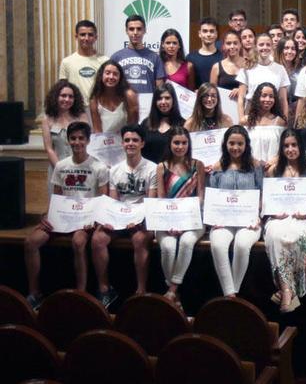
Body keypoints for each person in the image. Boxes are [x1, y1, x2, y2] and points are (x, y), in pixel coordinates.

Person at [24, 121, 108, 309]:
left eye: (81, 138)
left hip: (86, 219)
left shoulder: (99, 167)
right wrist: (48, 215)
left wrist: (94, 221)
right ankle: (34, 292)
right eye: (73, 138)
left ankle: (81, 293)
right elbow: (57, 196)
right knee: (30, 242)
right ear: (68, 140)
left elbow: (103, 200)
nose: (77, 142)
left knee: (78, 242)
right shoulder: (61, 166)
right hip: (63, 217)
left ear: (88, 140)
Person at [91, 124, 157, 306]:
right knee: (98, 239)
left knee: (139, 239)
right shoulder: (115, 170)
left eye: (135, 140)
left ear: (142, 143)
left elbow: (150, 201)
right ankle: (105, 289)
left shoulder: (152, 168)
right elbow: (113, 201)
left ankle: (141, 289)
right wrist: (110, 220)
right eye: (127, 140)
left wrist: (138, 220)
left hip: (142, 216)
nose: (130, 143)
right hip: (121, 217)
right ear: (122, 143)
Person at [264, 129, 306, 313]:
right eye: (286, 146)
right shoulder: (274, 170)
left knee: (296, 236)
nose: (290, 149)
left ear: (300, 146)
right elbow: (267, 201)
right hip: (278, 217)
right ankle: (288, 290)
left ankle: (287, 289)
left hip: (305, 217)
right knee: (275, 235)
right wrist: (274, 213)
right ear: (281, 149)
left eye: (294, 145)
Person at [208, 125, 263, 297]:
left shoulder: (255, 166)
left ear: (246, 145)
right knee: (218, 245)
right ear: (225, 144)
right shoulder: (217, 167)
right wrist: (212, 218)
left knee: (242, 244)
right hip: (222, 222)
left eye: (240, 144)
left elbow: (262, 195)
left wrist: (258, 217)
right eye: (232, 143)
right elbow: (213, 195)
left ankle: (233, 293)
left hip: (249, 221)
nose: (236, 148)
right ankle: (230, 294)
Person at [154, 126, 205, 308]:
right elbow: (160, 198)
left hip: (192, 219)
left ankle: (172, 290)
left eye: (184, 143)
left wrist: (184, 220)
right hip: (166, 219)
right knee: (168, 247)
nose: (180, 146)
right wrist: (170, 222)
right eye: (176, 142)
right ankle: (175, 296)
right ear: (170, 144)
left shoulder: (196, 165)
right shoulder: (162, 167)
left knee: (186, 242)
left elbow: (200, 197)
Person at [41, 80, 90, 195]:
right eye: (63, 96)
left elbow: (87, 142)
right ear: (55, 97)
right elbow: (49, 149)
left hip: (81, 168)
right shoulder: (47, 119)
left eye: (70, 97)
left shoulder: (82, 116)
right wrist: (62, 170)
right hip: (57, 168)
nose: (67, 99)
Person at [237, 33, 290, 120]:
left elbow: (283, 100)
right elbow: (241, 98)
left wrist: (285, 119)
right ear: (255, 47)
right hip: (251, 114)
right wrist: (241, 118)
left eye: (268, 45)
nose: (265, 47)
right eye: (261, 45)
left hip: (273, 115)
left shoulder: (280, 69)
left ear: (272, 46)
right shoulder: (247, 68)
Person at [110, 14, 166, 93]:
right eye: (131, 29)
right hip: (123, 103)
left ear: (144, 30)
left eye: (139, 29)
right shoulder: (116, 57)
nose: (135, 32)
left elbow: (160, 88)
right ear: (126, 31)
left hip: (148, 103)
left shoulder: (155, 58)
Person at [58, 20, 107, 99]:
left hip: (98, 108)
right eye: (83, 35)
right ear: (76, 37)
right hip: (76, 109)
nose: (86, 38)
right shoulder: (66, 62)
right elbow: (63, 90)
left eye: (90, 35)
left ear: (96, 37)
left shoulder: (105, 61)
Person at [89, 60, 138, 134]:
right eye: (107, 73)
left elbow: (133, 125)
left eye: (115, 74)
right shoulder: (94, 100)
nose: (111, 77)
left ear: (120, 77)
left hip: (125, 142)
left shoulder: (129, 96)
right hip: (104, 142)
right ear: (101, 75)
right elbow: (97, 130)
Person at [140, 84, 186, 163]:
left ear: (173, 100)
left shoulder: (183, 124)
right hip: (149, 173)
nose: (163, 102)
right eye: (159, 98)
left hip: (173, 173)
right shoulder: (145, 124)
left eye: (167, 98)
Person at [244, 82, 286, 163]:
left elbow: (284, 147)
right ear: (257, 97)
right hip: (250, 168)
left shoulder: (280, 122)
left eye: (271, 96)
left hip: (273, 169)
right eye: (264, 96)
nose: (267, 99)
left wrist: (274, 160)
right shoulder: (245, 121)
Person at [210, 30, 246, 106]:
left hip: (246, 109)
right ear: (223, 46)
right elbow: (212, 92)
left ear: (240, 45)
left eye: (235, 43)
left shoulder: (249, 65)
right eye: (228, 43)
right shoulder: (216, 67)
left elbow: (255, 88)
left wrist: (242, 90)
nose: (232, 46)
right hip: (223, 110)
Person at [186, 18, 220, 88]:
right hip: (196, 98)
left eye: (212, 31)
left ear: (216, 34)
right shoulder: (190, 57)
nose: (208, 34)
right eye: (205, 31)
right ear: (199, 34)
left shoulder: (223, 57)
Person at [277, 36, 302, 119]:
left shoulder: (301, 71)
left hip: (297, 114)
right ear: (280, 50)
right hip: (276, 114)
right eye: (286, 48)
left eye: (293, 49)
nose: (290, 51)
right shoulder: (272, 69)